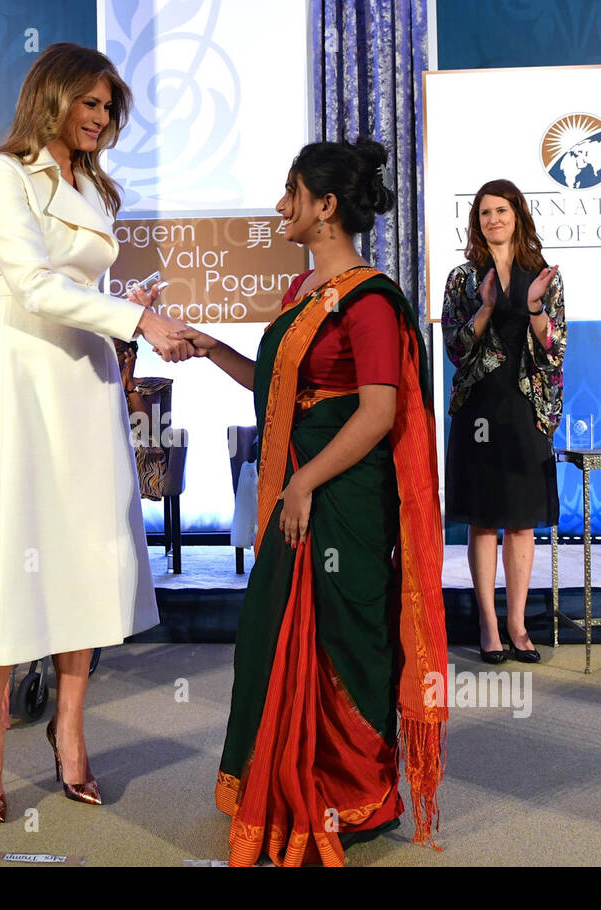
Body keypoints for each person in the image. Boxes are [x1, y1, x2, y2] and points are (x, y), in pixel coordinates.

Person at [173, 138, 449, 866]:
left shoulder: (369, 300)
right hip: (298, 496)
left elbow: (377, 413)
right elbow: (278, 393)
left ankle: (353, 792)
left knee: (346, 635)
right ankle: (281, 778)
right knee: (274, 634)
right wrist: (210, 349)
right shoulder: (301, 295)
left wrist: (304, 481)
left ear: (325, 207)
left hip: (339, 498)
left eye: (290, 192)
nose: (278, 206)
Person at [0, 42, 193, 823]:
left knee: (90, 547)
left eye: (108, 108)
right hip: (24, 373)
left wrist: (130, 304)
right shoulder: (4, 172)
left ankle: (71, 725)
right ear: (51, 96)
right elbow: (28, 284)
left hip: (86, 375)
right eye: (89, 103)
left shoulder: (94, 184)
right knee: (7, 546)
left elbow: (78, 285)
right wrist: (136, 317)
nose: (100, 118)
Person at [441, 179, 565, 666]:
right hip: (478, 408)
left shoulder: (543, 274)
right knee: (485, 521)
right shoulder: (462, 279)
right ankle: (489, 626)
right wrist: (489, 305)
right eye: (485, 212)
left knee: (520, 522)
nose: (494, 219)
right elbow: (455, 348)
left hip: (526, 407)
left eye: (502, 210)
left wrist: (533, 304)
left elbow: (554, 346)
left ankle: (518, 623)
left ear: (517, 214)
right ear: (477, 221)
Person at [114, 337, 172, 501]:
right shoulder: (92, 387)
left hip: (140, 448)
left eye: (117, 351)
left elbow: (148, 428)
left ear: (129, 355)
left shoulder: (149, 385)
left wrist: (130, 388)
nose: (110, 356)